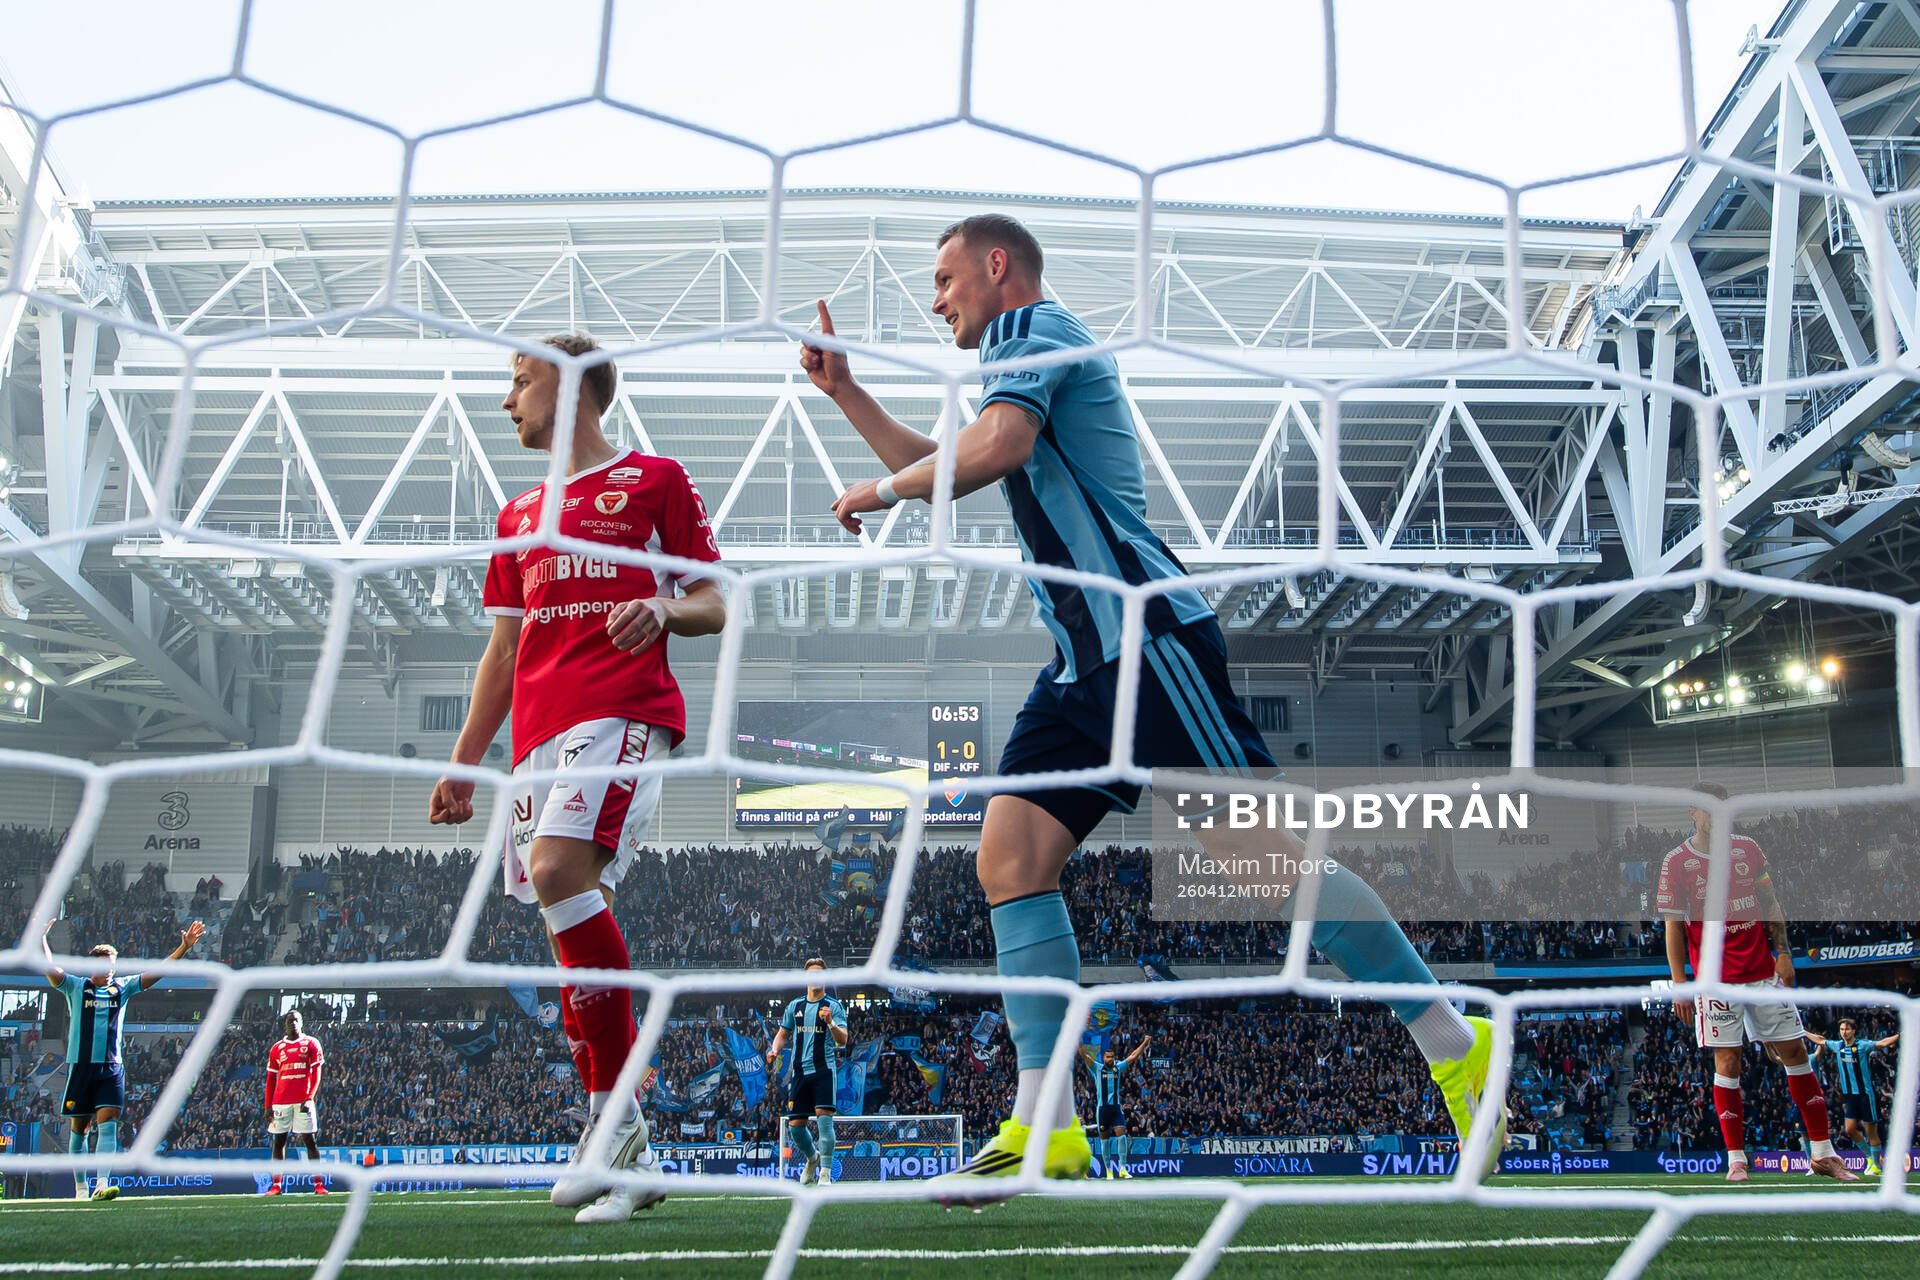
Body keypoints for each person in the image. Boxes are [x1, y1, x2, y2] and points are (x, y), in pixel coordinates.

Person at [801, 213, 1501, 1198]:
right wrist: (849, 395)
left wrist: (878, 489)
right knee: (1009, 858)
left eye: (947, 275)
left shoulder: (1039, 330)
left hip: (1149, 643)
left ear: (998, 268)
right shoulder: (1018, 359)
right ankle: (1048, 1126)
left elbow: (991, 446)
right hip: (1083, 665)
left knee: (1267, 868)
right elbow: (960, 457)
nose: (936, 296)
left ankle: (1452, 1038)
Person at [430, 332, 726, 1224]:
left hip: (623, 710)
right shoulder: (516, 514)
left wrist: (664, 605)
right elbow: (503, 648)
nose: (505, 400)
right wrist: (465, 759)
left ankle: (613, 1122)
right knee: (564, 922)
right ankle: (621, 1136)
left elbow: (715, 599)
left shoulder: (657, 481)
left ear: (567, 387)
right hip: (535, 741)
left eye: (518, 381)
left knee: (562, 875)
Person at [1658, 782, 1855, 1182]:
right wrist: (1680, 983)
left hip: (1763, 974)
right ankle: (1736, 1160)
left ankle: (1822, 1153)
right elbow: (1673, 928)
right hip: (1715, 983)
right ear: (1693, 813)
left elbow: (1770, 902)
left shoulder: (1748, 850)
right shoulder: (1677, 862)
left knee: (1796, 1054)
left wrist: (1783, 952)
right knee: (1728, 1062)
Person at [41, 916, 206, 1200]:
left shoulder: (122, 987)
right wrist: (41, 939)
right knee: (79, 1131)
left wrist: (184, 949)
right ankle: (80, 1188)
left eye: (113, 964)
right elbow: (49, 968)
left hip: (111, 1069)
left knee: (108, 1125)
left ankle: (101, 1184)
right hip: (81, 1067)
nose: (111, 969)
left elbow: (157, 972)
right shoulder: (76, 986)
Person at [766, 958, 849, 1188]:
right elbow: (783, 1034)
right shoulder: (794, 1007)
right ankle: (812, 1158)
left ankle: (825, 1173)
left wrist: (830, 1022)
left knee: (824, 1122)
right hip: (800, 1073)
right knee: (796, 1129)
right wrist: (774, 1050)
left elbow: (843, 1040)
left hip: (824, 1071)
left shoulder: (834, 1006)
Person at [1807, 1018, 1900, 1175]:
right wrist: (1802, 1032)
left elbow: (1882, 1043)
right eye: (1842, 1029)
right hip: (1850, 1096)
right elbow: (1820, 1041)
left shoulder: (1862, 1045)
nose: (1844, 1032)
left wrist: (1899, 1035)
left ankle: (1876, 1166)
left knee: (1871, 1131)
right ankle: (1870, 1157)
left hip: (1866, 1094)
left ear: (1854, 1031)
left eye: (1847, 1029)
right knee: (1850, 1129)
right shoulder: (1838, 1046)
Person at [263, 1009, 328, 1195]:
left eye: (296, 1020)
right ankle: (276, 1185)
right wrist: (268, 1105)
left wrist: (309, 1098)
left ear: (302, 1022)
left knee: (309, 1140)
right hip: (280, 1102)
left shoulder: (311, 1043)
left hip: (302, 1101)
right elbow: (271, 1079)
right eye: (290, 1020)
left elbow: (316, 1074)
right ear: (285, 1024)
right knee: (279, 1141)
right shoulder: (277, 1048)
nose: (293, 1023)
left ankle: (318, 1184)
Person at [1085, 1035, 1150, 1179]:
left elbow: (1133, 1056)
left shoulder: (1117, 1068)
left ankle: (1122, 1169)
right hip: (1102, 1110)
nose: (1110, 1059)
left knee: (1122, 1136)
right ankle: (1108, 1170)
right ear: (1104, 1058)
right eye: (1108, 1057)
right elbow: (1084, 1056)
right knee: (1105, 1141)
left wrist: (1144, 1042)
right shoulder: (1097, 1068)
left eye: (1112, 1057)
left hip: (1115, 1108)